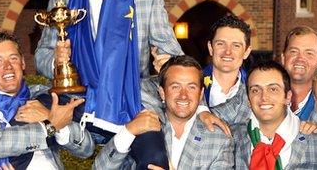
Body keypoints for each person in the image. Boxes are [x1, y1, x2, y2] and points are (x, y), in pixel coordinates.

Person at [34, 0, 187, 169]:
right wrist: (56, 62)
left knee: (155, 160)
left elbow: (174, 58)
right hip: (77, 100)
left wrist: (166, 63)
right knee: (27, 116)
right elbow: (41, 56)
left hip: (132, 102)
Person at [94, 55, 234, 169]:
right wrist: (128, 131)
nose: (183, 95)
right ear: (162, 92)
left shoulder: (219, 139)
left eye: (191, 87)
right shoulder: (142, 127)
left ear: (201, 93)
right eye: (175, 87)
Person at [0, 32, 93, 169]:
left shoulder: (44, 95)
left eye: (13, 58)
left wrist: (48, 117)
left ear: (23, 63)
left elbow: (86, 148)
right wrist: (49, 125)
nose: (8, 66)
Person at [231, 60, 317, 169]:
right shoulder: (231, 138)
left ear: (288, 97)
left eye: (273, 89)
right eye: (255, 90)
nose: (264, 97)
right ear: (248, 100)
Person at [203, 15, 252, 125]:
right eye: (221, 44)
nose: (227, 52)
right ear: (211, 48)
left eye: (236, 45)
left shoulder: (255, 88)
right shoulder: (193, 83)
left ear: (246, 52)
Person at [281, 26, 317, 122]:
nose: (300, 58)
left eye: (309, 53)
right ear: (283, 58)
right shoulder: (264, 98)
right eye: (294, 51)